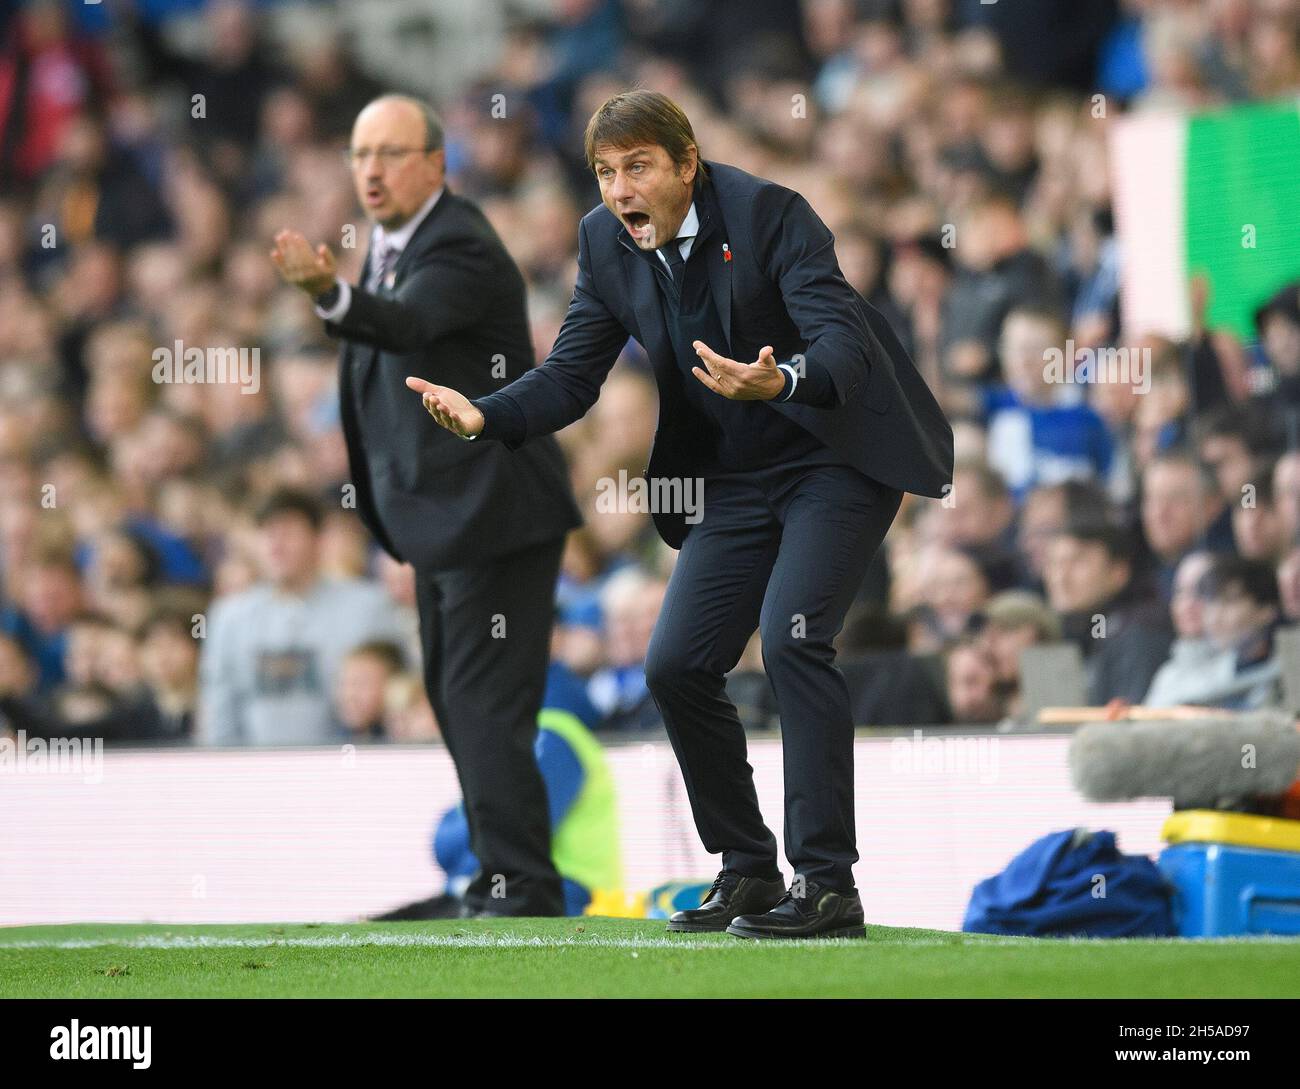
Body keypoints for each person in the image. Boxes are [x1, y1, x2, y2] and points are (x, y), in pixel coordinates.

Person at [410, 90, 953, 939]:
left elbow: (843, 342)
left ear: (686, 164)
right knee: (675, 665)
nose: (619, 188)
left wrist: (783, 379)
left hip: (832, 457)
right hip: (736, 477)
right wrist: (488, 412)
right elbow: (572, 375)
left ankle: (828, 884)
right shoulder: (604, 241)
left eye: (637, 167)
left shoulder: (772, 213)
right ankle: (746, 868)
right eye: (603, 172)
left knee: (793, 638)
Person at [270, 94, 582, 917]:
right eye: (359, 153)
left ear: (437, 163)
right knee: (456, 699)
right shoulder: (390, 242)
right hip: (446, 522)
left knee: (485, 703)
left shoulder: (460, 242)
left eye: (390, 152)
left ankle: (521, 885)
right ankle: (501, 874)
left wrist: (329, 296)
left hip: (495, 516)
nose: (370, 169)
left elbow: (407, 324)